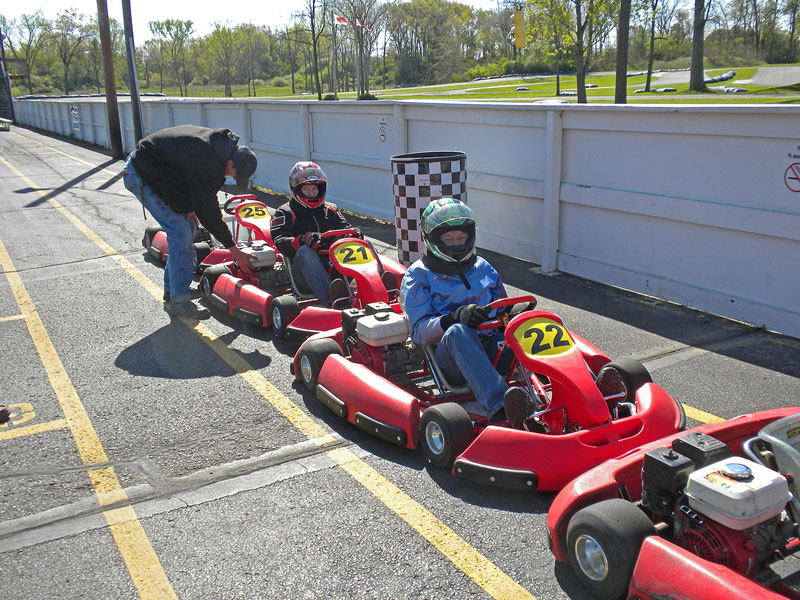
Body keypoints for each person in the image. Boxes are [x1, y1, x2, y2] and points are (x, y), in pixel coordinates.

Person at [400, 198, 536, 429]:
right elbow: (419, 332)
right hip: (451, 359)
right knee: (458, 332)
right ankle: (500, 405)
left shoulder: (483, 267)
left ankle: (590, 389)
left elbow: (501, 307)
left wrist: (511, 315)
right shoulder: (418, 275)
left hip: (492, 347)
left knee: (533, 323)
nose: (456, 244)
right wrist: (452, 317)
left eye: (461, 238)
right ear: (432, 239)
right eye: (448, 239)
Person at [123, 124, 257, 319]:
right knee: (180, 231)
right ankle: (179, 301)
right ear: (231, 163)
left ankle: (174, 289)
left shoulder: (217, 151)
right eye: (235, 174)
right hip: (140, 173)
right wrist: (234, 250)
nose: (232, 177)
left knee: (189, 226)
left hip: (163, 175)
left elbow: (197, 188)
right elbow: (208, 210)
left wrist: (190, 208)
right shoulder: (206, 159)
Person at [270, 161, 360, 305]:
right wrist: (302, 240)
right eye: (306, 189)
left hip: (335, 269)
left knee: (363, 244)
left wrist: (354, 234)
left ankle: (382, 290)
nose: (312, 194)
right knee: (306, 251)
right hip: (304, 274)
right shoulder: (285, 213)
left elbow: (345, 228)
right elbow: (280, 241)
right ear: (296, 189)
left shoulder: (331, 210)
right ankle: (332, 302)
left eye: (314, 189)